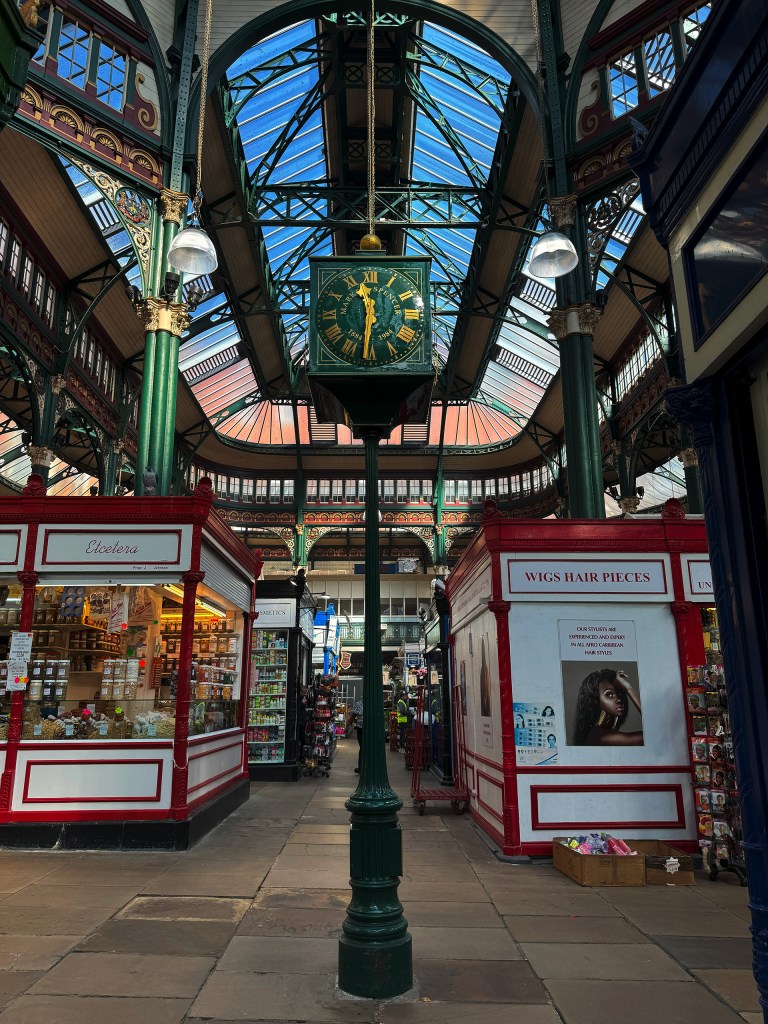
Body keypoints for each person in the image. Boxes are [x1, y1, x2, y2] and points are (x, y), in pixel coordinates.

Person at [572, 668, 643, 745]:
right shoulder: (600, 737)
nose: (619, 699)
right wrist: (629, 689)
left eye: (620, 693)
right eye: (609, 695)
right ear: (596, 701)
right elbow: (652, 736)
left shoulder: (599, 732)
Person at [351, 697, 363, 773]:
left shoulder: (359, 704)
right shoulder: (359, 704)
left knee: (364, 748)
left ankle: (363, 767)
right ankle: (361, 767)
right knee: (363, 748)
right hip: (361, 730)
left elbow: (352, 717)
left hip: (366, 730)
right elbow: (353, 716)